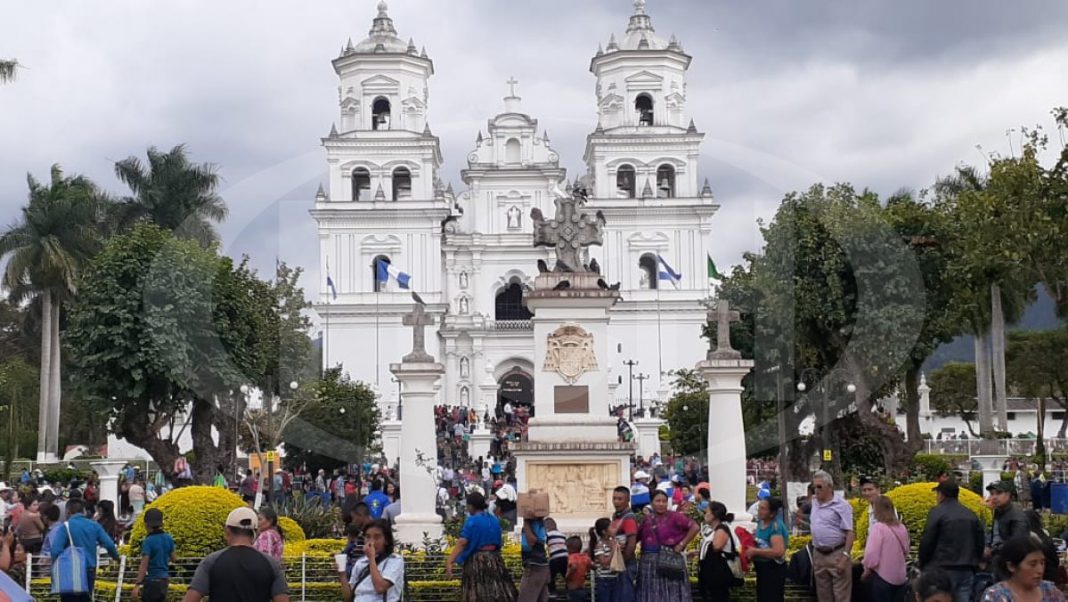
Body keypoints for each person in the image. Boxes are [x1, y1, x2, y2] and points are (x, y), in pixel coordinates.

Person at [182, 507, 289, 602]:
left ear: (227, 531)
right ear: (256, 532)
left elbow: (191, 598)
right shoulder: (271, 564)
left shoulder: (211, 561)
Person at [918, 481, 984, 602]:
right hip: (967, 567)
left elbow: (928, 540)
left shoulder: (937, 512)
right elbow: (980, 541)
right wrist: (976, 560)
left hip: (943, 567)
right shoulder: (970, 514)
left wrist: (923, 563)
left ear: (941, 494)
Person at [445, 492, 517, 602]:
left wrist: (450, 561)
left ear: (471, 506)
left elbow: (463, 542)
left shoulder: (472, 520)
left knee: (477, 593)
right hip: (495, 560)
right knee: (497, 592)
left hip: (477, 561)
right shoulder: (494, 520)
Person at [51, 498, 121, 602]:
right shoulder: (94, 525)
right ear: (84, 511)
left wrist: (57, 566)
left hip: (69, 570)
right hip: (89, 569)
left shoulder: (65, 527)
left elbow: (55, 551)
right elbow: (109, 544)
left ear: (68, 512)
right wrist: (116, 558)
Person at [636, 489, 699, 602]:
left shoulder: (675, 516)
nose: (661, 504)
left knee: (672, 592)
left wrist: (682, 544)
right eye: (658, 501)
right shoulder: (647, 519)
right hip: (649, 564)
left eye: (664, 501)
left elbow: (695, 527)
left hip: (670, 561)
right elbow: (637, 536)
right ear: (651, 503)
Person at [979, 534, 1066, 601]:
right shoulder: (996, 596)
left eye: (1042, 563)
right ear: (1011, 566)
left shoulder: (1050, 591)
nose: (1040, 570)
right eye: (1033, 564)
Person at [809, 470, 853, 602]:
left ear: (829, 487)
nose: (816, 490)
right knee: (823, 596)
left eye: (819, 487)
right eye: (814, 487)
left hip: (836, 553)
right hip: (819, 554)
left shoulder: (842, 505)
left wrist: (845, 556)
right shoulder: (814, 502)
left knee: (841, 596)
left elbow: (850, 532)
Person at [338, 519, 404, 602]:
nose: (371, 542)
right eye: (368, 537)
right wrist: (342, 574)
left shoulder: (394, 560)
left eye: (377, 537)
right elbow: (348, 597)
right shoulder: (361, 562)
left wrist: (371, 559)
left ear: (386, 540)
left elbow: (380, 588)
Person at [862, 495, 909, 602]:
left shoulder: (878, 528)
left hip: (882, 577)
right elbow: (906, 550)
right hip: (900, 577)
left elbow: (871, 555)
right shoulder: (901, 527)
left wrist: (866, 569)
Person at [747, 496, 788, 602]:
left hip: (773, 570)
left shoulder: (775, 527)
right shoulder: (761, 523)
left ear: (772, 513)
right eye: (759, 507)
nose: (759, 511)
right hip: (762, 569)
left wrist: (755, 551)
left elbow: (778, 551)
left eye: (763, 508)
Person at [985, 481, 1029, 577]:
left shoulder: (1016, 515)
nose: (994, 497)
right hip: (997, 559)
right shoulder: (998, 511)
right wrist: (988, 546)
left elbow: (1018, 543)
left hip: (1008, 563)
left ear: (1008, 494)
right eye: (992, 494)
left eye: (999, 493)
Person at [133, 508, 176, 602]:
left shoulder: (148, 541)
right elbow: (174, 558)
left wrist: (137, 584)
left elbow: (144, 565)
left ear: (146, 524)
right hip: (164, 580)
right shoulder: (168, 538)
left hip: (152, 581)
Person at [697, 501, 737, 602]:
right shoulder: (713, 530)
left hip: (718, 574)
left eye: (707, 512)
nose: (705, 515)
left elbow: (716, 547)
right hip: (710, 573)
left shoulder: (721, 529)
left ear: (714, 515)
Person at [608, 485, 639, 601]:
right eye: (614, 498)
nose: (616, 502)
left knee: (625, 595)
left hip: (625, 563)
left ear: (628, 500)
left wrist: (623, 561)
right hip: (619, 561)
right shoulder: (616, 516)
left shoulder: (628, 518)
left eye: (620, 499)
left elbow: (631, 543)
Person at [518, 514, 550, 602]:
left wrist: (525, 522)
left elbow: (532, 541)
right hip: (541, 566)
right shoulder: (539, 524)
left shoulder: (532, 524)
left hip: (535, 566)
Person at [1025, 510, 1062, 584]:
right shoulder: (1045, 536)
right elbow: (1056, 560)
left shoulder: (1027, 538)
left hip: (1036, 578)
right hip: (1051, 576)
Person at [590, 517, 619, 601]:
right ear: (604, 531)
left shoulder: (612, 542)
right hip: (604, 579)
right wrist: (613, 550)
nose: (614, 529)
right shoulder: (600, 545)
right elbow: (604, 563)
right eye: (611, 527)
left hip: (614, 578)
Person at [545, 518, 569, 595]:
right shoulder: (562, 535)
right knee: (566, 575)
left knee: (551, 575)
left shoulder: (548, 535)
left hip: (555, 557)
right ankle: (568, 589)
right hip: (565, 557)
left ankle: (552, 591)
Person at [565, 535, 591, 602]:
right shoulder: (584, 557)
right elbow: (593, 566)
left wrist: (567, 576)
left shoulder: (571, 557)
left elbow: (574, 566)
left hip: (573, 589)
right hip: (582, 588)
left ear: (570, 548)